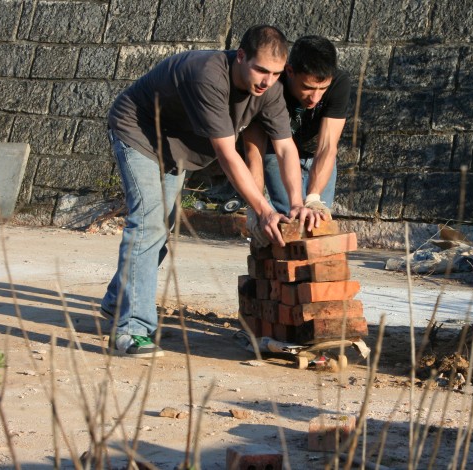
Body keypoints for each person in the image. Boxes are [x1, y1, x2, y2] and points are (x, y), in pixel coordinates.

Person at [101, 25, 321, 358]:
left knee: (160, 232)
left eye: (276, 74)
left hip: (174, 148)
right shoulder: (208, 76)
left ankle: (119, 299)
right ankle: (131, 330)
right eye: (261, 70)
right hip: (138, 132)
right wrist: (263, 210)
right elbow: (228, 154)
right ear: (241, 56)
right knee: (148, 225)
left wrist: (295, 204)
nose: (267, 80)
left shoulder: (270, 91)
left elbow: (286, 148)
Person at [243, 35, 351, 217]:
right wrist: (256, 206)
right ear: (290, 71)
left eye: (322, 89)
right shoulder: (270, 85)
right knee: (290, 216)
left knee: (318, 219)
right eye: (307, 87)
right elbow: (254, 150)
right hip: (276, 151)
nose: (315, 98)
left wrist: (313, 198)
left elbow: (327, 145)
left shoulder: (339, 84)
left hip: (316, 154)